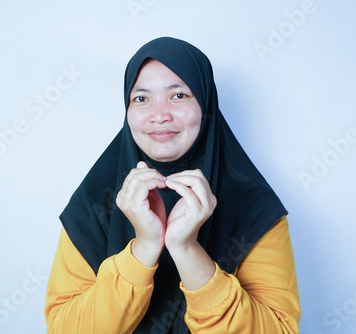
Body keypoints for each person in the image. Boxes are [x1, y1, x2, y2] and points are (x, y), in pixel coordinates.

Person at [45, 37, 300, 333]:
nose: (159, 115)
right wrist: (144, 247)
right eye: (142, 98)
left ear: (205, 103)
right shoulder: (93, 203)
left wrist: (187, 249)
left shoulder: (254, 207)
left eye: (178, 95)